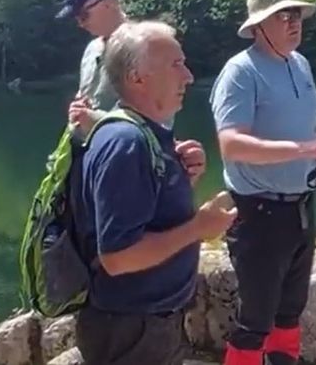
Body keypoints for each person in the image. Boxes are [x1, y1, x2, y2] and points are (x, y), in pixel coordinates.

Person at [71, 20, 235, 365]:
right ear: (137, 78)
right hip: (130, 331)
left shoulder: (144, 134)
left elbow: (146, 212)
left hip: (146, 325)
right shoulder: (126, 142)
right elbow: (118, 257)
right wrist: (199, 228)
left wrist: (181, 179)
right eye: (176, 65)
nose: (188, 76)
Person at [210, 0, 316, 365]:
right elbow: (232, 144)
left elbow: (308, 127)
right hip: (259, 213)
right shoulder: (241, 72)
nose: (293, 22)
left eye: (296, 14)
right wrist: (306, 149)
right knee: (255, 319)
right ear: (257, 27)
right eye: (282, 16)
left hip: (301, 206)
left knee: (289, 311)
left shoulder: (300, 65)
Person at [57, 0, 127, 136]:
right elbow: (85, 96)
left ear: (110, 2)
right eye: (76, 18)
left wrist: (95, 119)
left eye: (84, 15)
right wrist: (78, 109)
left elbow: (155, 119)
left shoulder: (147, 46)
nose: (81, 24)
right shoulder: (91, 49)